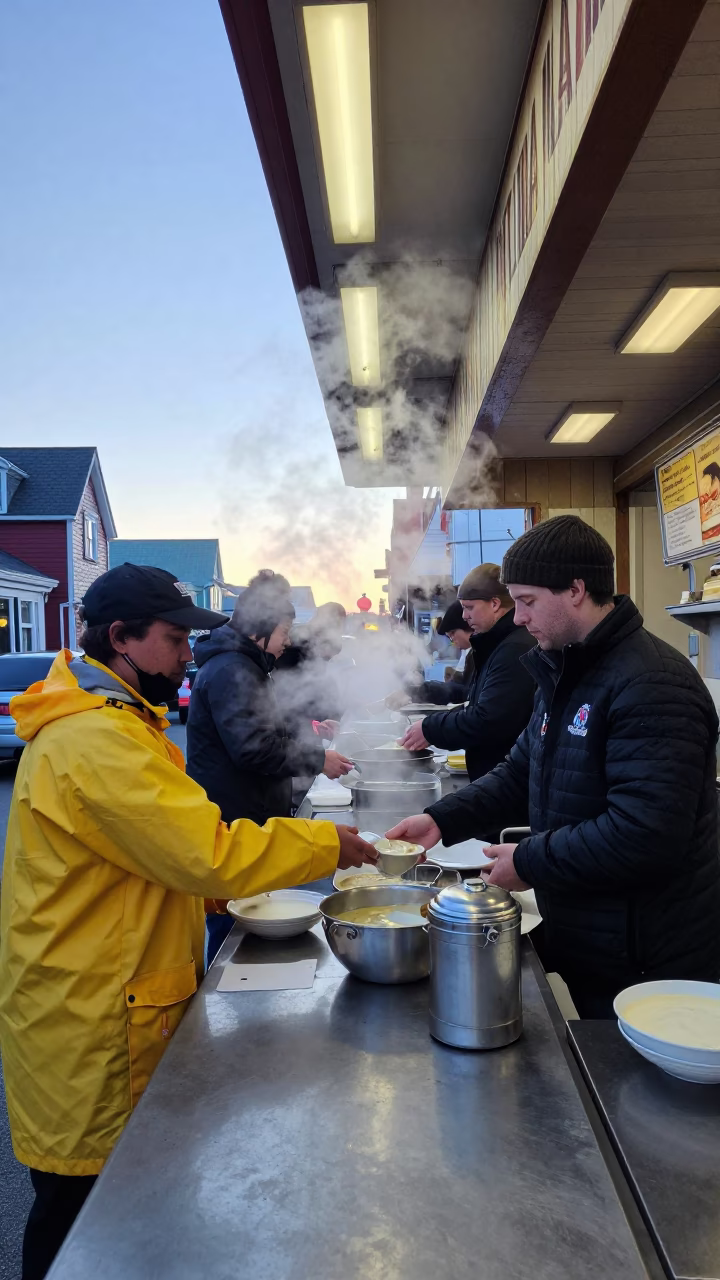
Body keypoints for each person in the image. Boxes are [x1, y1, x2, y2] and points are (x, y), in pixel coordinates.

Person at [0, 563, 375, 1280]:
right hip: (90, 1016)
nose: (185, 655)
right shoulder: (94, 742)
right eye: (173, 639)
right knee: (80, 1214)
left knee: (116, 1204)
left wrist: (202, 897)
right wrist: (325, 843)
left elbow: (141, 856)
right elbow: (204, 850)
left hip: (108, 989)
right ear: (120, 639)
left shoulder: (117, 722)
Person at [388, 516, 720, 1018]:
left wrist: (528, 860)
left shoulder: (652, 684)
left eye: (526, 601)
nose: (518, 618)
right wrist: (442, 818)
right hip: (596, 936)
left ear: (575, 590)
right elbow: (523, 770)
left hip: (649, 956)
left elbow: (644, 833)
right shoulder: (565, 669)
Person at [186, 573, 354, 963]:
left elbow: (263, 729)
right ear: (260, 629)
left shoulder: (245, 665)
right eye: (282, 632)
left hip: (252, 815)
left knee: (250, 919)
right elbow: (253, 749)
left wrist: (310, 730)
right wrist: (318, 759)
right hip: (237, 820)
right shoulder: (233, 669)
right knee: (235, 927)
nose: (286, 643)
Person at [399, 565, 536, 783]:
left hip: (508, 782)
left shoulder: (515, 648)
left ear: (495, 603)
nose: (465, 616)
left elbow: (489, 719)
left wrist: (430, 729)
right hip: (496, 779)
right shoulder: (496, 645)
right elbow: (475, 701)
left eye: (469, 607)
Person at [275, 600, 348, 740]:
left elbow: (321, 679)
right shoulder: (297, 641)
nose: (340, 628)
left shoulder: (321, 639)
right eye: (339, 623)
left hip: (311, 718)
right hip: (295, 719)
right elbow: (290, 685)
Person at [385, 600, 474, 709]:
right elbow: (464, 691)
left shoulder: (487, 655)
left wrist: (418, 692)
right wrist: (457, 677)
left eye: (452, 633)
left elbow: (470, 695)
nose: (452, 639)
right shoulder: (472, 653)